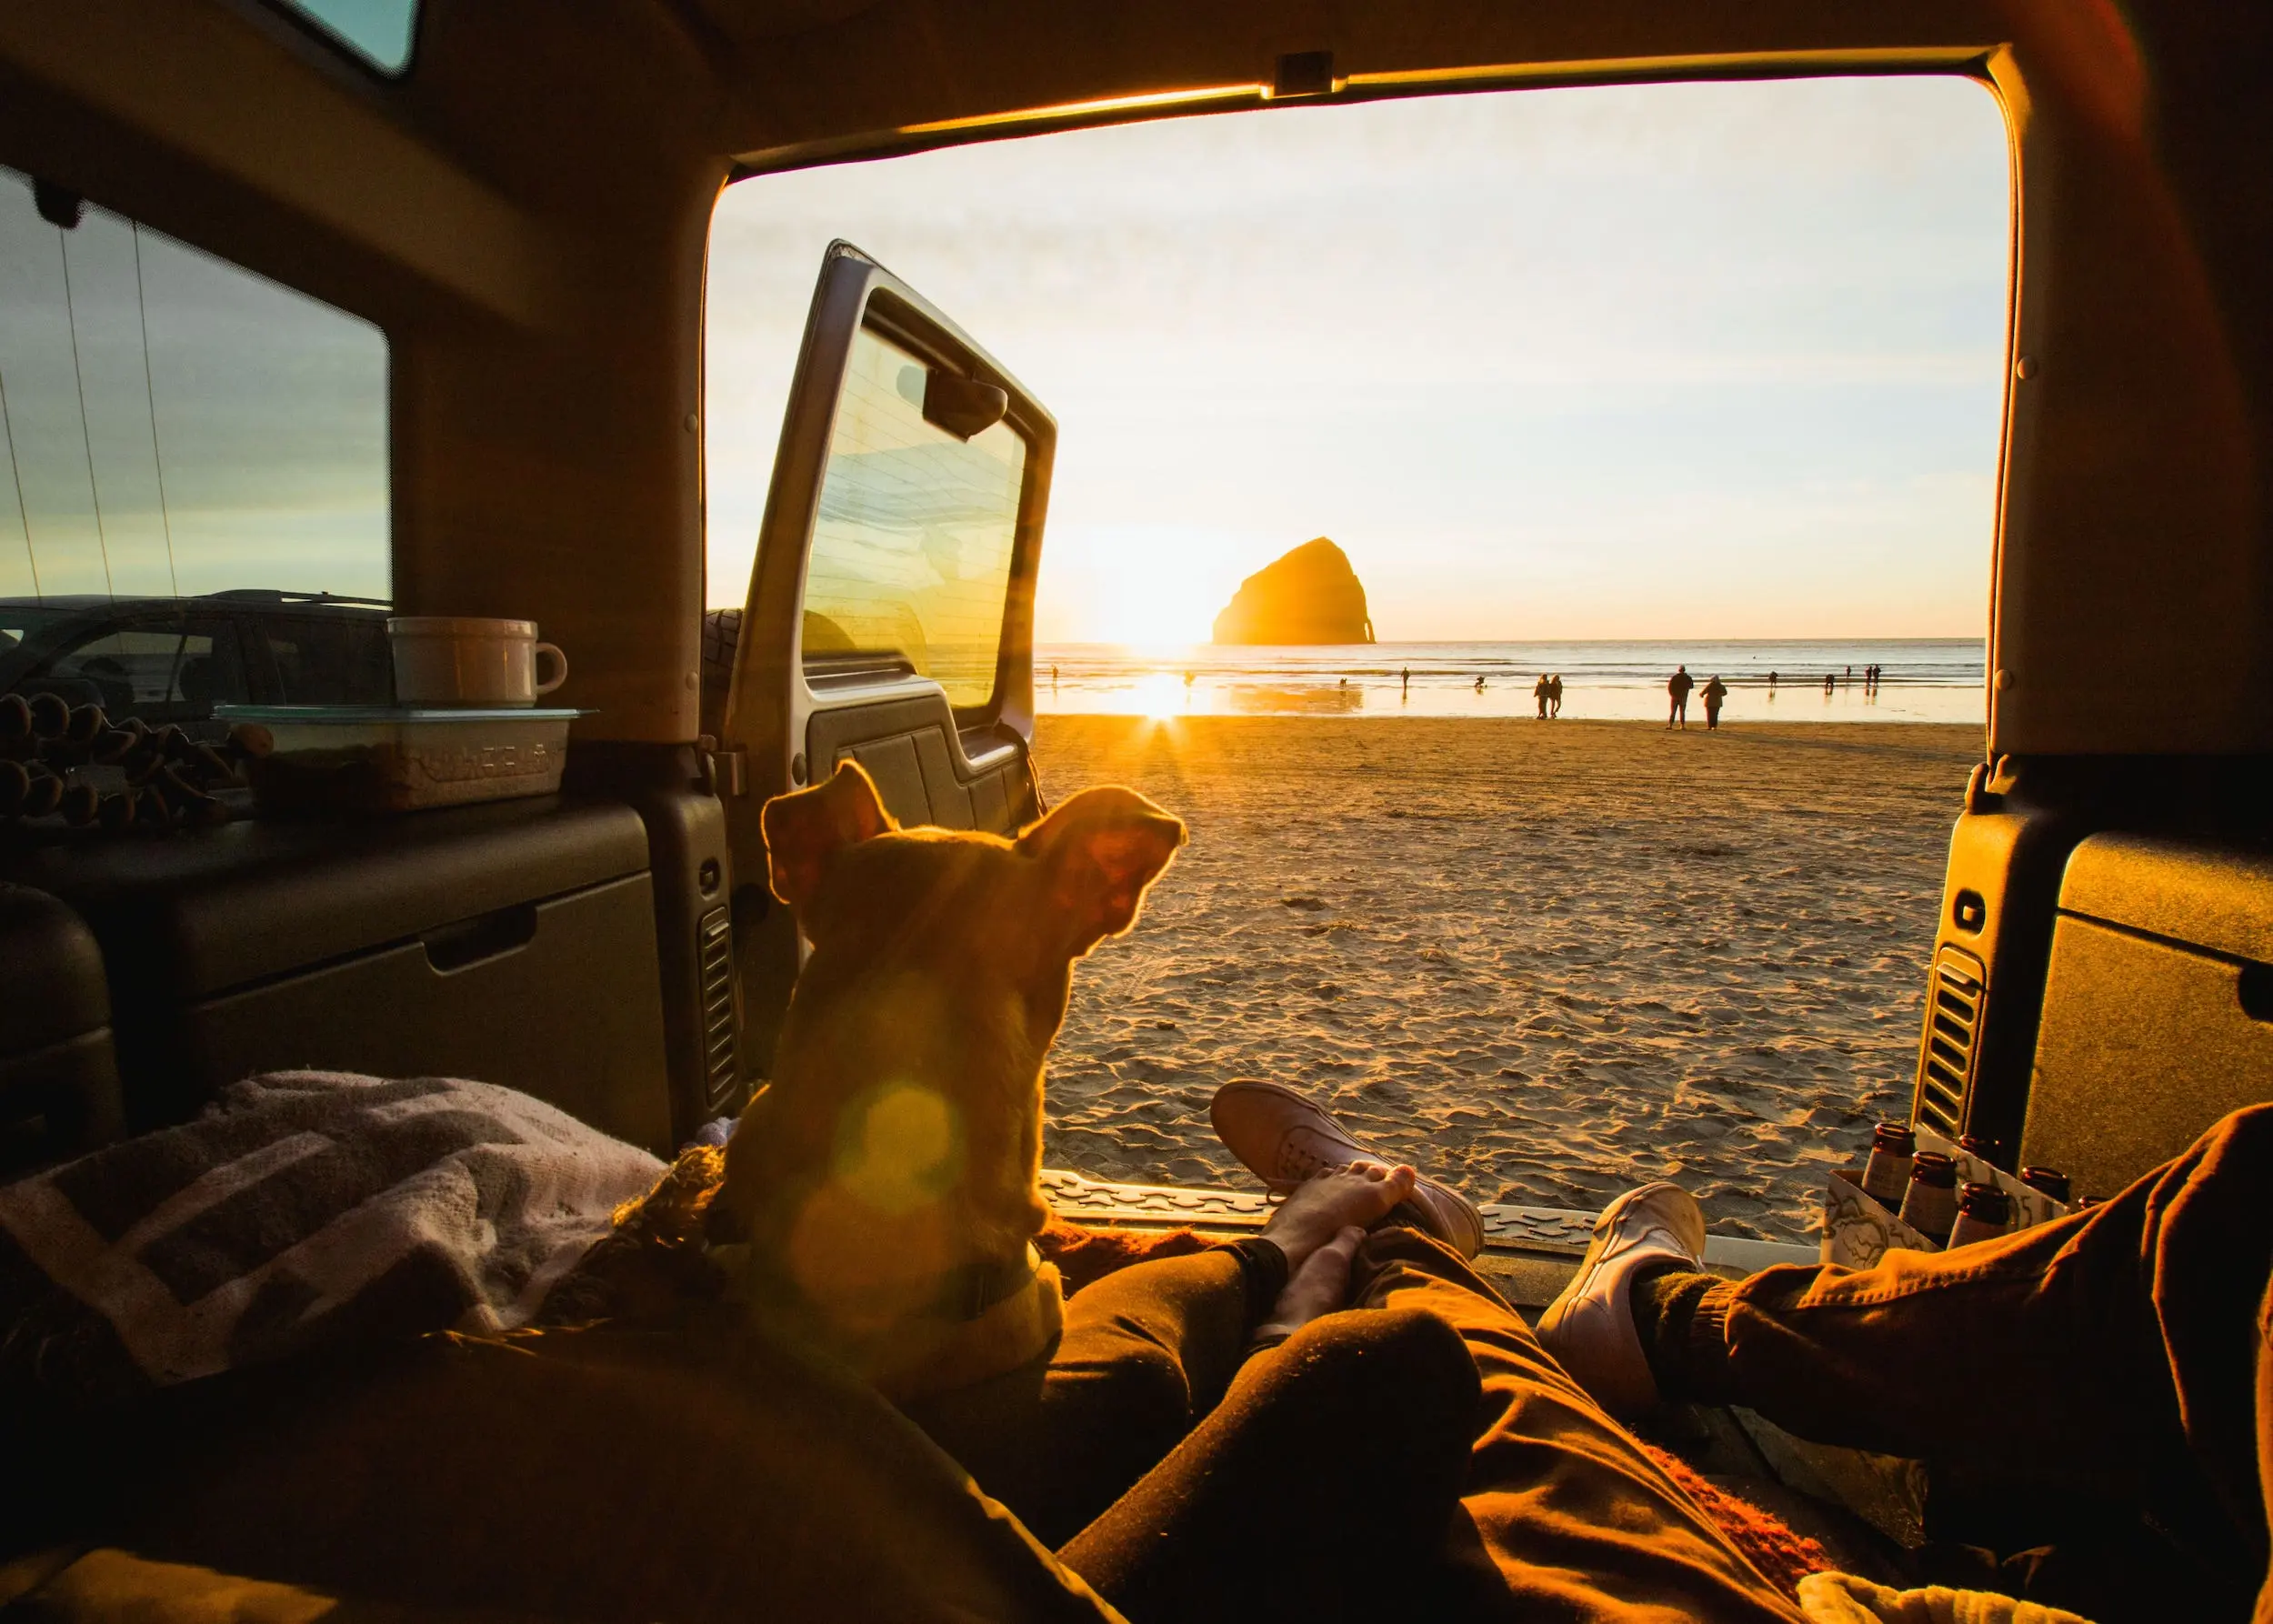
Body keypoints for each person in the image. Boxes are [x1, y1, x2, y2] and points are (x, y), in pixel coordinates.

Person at [1667, 664, 1694, 728]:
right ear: (1684, 670)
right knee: (1682, 712)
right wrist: (1685, 688)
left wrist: (1671, 694)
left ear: (1679, 670)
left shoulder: (1675, 677)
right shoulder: (1688, 677)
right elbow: (1691, 686)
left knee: (1673, 711)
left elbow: (1670, 687)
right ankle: (1682, 726)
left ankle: (1670, 725)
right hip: (1683, 696)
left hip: (1675, 696)